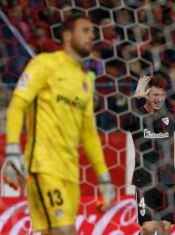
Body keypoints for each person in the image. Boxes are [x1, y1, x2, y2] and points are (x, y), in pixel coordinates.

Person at [1, 13, 115, 235]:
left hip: (71, 173)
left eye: (92, 31)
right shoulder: (45, 63)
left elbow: (89, 134)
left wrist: (104, 178)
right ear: (67, 35)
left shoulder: (84, 80)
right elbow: (17, 104)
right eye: (85, 30)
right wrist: (13, 150)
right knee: (66, 232)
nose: (91, 35)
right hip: (43, 167)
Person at [124, 75, 175, 235]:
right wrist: (136, 100)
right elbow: (125, 122)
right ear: (148, 95)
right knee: (149, 227)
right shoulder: (139, 116)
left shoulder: (170, 116)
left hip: (168, 180)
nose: (159, 99)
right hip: (145, 180)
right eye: (155, 95)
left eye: (162, 95)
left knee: (165, 227)